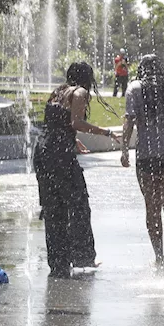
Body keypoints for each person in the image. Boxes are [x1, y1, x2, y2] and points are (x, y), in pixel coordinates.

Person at [35, 61, 116, 279]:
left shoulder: (59, 91)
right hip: (61, 155)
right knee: (78, 204)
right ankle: (83, 256)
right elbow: (76, 123)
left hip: (43, 152)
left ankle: (58, 262)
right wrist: (106, 133)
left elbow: (55, 123)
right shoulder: (79, 92)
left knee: (53, 208)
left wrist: (73, 142)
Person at [120, 54, 164, 264]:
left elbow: (129, 121)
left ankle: (159, 256)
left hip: (147, 156)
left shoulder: (135, 88)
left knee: (152, 209)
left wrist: (124, 149)